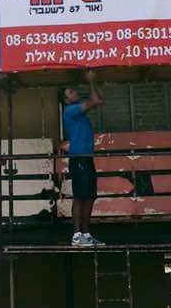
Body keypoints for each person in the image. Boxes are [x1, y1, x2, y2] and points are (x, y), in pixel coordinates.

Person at [60, 70, 104, 247]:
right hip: (78, 159)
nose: (75, 93)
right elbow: (95, 101)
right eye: (70, 92)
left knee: (90, 196)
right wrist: (91, 81)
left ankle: (86, 234)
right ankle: (77, 236)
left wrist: (93, 82)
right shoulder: (70, 111)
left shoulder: (79, 112)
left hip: (86, 158)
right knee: (80, 196)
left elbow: (99, 100)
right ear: (66, 100)